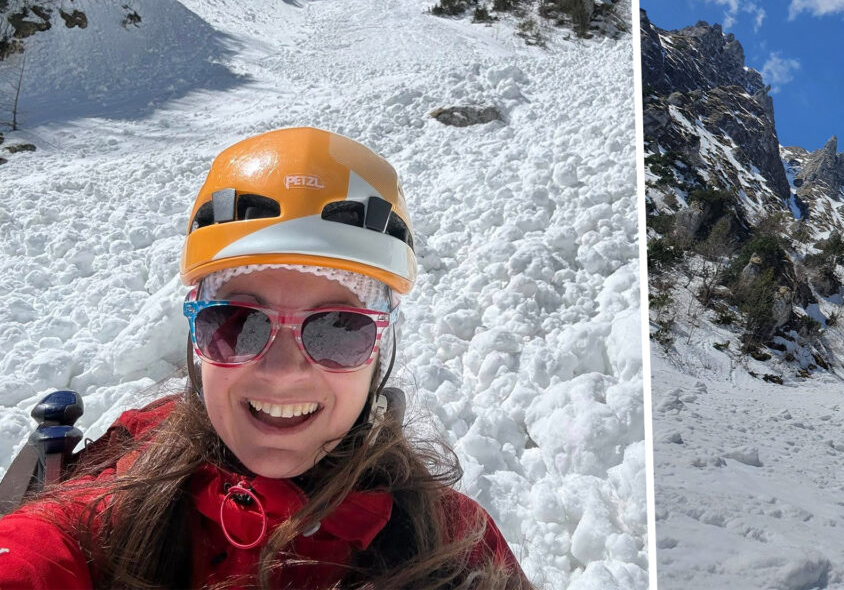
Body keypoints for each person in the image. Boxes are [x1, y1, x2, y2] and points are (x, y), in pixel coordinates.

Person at [0, 128, 530, 588]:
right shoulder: (114, 497)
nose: (281, 371)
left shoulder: (457, 546)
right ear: (195, 337)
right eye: (236, 323)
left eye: (338, 329)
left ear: (379, 349)